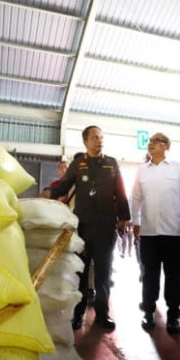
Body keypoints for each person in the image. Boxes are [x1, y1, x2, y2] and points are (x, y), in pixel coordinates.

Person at [50, 126, 131, 332]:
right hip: (83, 226)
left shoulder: (111, 163)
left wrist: (124, 218)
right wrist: (48, 194)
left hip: (106, 226)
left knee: (104, 273)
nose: (99, 141)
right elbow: (63, 186)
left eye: (101, 137)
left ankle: (102, 315)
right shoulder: (78, 164)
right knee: (81, 273)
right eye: (95, 137)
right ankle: (78, 315)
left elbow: (121, 192)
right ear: (85, 141)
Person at [131, 132, 180, 334]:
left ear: (166, 146)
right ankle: (149, 312)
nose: (151, 144)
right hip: (149, 232)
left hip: (174, 231)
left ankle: (173, 316)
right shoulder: (142, 171)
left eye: (156, 141)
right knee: (149, 274)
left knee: (174, 275)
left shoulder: (179, 168)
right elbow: (135, 198)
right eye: (150, 141)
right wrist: (135, 221)